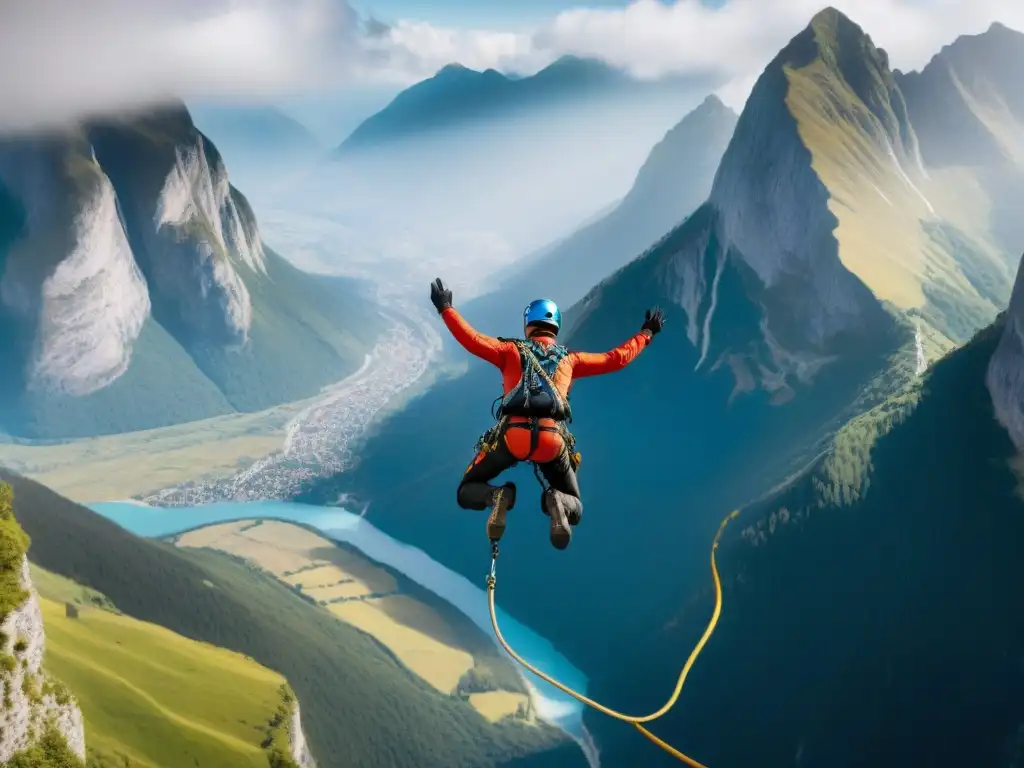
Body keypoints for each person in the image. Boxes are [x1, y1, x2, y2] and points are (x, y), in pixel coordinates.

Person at [429, 277, 665, 550]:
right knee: (574, 505)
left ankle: (497, 497)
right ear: (556, 328)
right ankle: (559, 502)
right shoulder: (571, 360)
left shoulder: (509, 351)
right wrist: (646, 333)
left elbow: (472, 339)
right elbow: (616, 359)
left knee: (466, 491)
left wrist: (445, 307)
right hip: (551, 442)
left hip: (512, 438)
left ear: (528, 325)